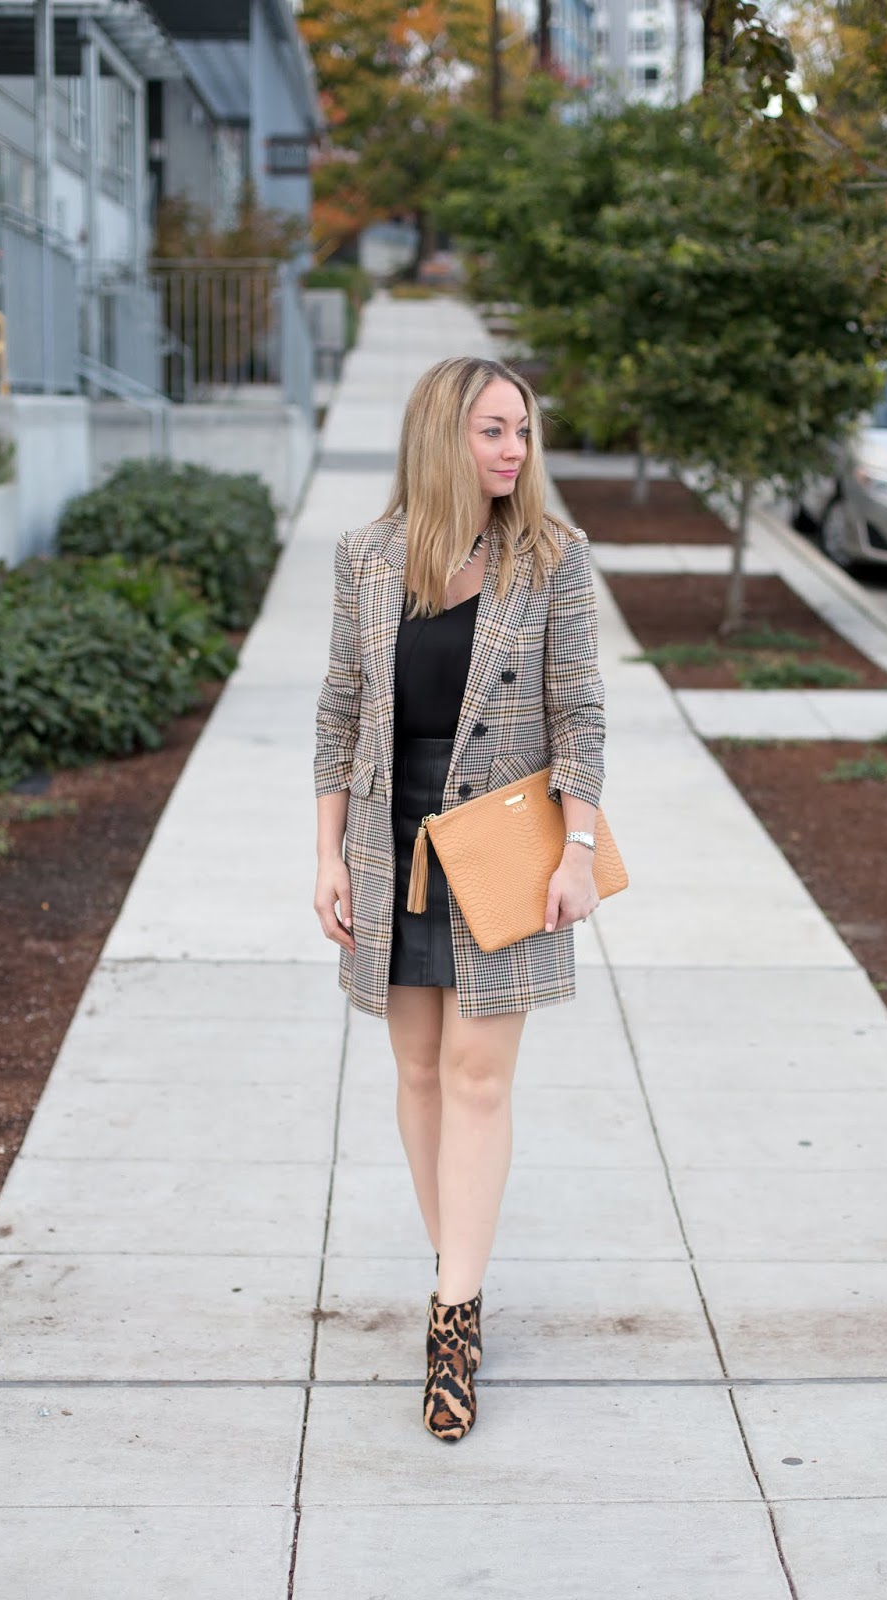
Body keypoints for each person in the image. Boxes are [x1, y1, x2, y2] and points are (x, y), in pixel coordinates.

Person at [313, 354, 606, 1441]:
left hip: (504, 847)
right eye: (494, 431)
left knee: (481, 1079)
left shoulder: (550, 560)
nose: (513, 452)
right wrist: (329, 854)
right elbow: (339, 712)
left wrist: (575, 852)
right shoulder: (366, 559)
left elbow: (579, 716)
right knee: (420, 1071)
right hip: (392, 842)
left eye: (522, 432)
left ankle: (452, 1318)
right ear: (444, 433)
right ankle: (459, 1268)